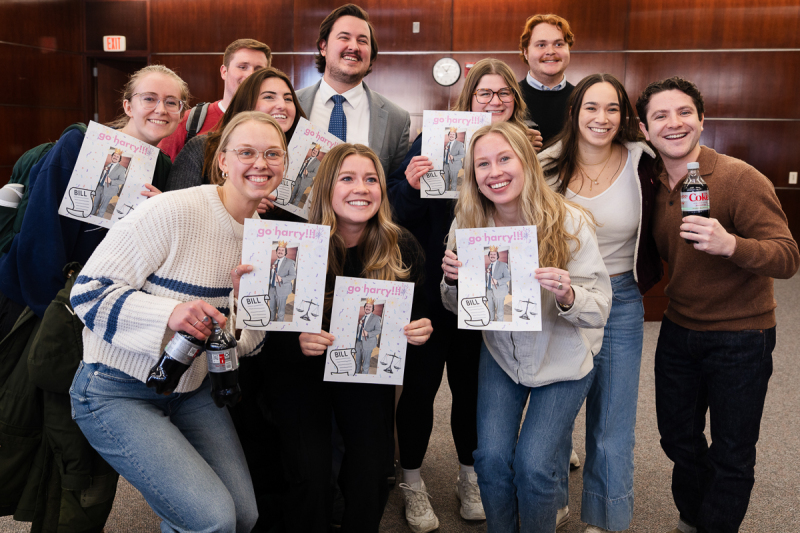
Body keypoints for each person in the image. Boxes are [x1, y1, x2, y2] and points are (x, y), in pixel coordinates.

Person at [69, 111, 284, 533]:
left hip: (190, 388)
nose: (261, 163)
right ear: (222, 160)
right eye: (247, 152)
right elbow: (87, 292)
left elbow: (248, 348)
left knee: (245, 515)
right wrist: (169, 313)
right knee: (213, 519)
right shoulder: (173, 210)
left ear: (285, 165)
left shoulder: (264, 236)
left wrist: (243, 310)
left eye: (272, 154)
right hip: (115, 388)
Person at [635, 77, 799, 533]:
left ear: (702, 120)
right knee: (678, 439)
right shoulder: (646, 183)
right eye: (660, 116)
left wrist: (732, 245)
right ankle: (694, 516)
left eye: (685, 112)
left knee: (733, 450)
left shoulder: (738, 178)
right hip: (679, 328)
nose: (674, 123)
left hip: (741, 335)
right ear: (645, 130)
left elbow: (787, 257)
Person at [387, 57, 540, 531]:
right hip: (431, 293)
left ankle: (470, 475)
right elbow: (391, 209)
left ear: (515, 100)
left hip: (490, 295)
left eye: (503, 94)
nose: (494, 102)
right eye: (484, 94)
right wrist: (411, 185)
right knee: (419, 390)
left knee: (474, 391)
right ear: (467, 99)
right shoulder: (433, 139)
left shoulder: (526, 149)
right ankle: (410, 480)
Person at [441, 121, 611, 532]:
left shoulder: (569, 222)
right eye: (482, 164)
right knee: (492, 461)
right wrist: (451, 283)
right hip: (502, 356)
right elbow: (455, 307)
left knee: (534, 466)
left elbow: (600, 309)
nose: (494, 171)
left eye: (504, 159)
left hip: (563, 358)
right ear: (473, 175)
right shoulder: (467, 223)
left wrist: (568, 295)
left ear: (527, 163)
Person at [261, 143, 432, 532]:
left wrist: (420, 327)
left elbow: (417, 309)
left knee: (371, 472)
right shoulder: (295, 244)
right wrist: (297, 342)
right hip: (300, 375)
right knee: (311, 474)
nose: (362, 188)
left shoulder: (400, 245)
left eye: (371, 179)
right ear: (326, 188)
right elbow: (264, 334)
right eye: (348, 178)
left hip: (364, 376)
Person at [538, 73, 662, 533]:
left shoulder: (642, 162)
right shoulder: (545, 164)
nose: (602, 118)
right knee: (554, 414)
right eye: (591, 107)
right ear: (574, 112)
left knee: (611, 422)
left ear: (624, 116)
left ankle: (606, 518)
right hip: (560, 298)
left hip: (620, 300)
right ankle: (551, 500)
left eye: (613, 109)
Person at [0, 64, 185, 336]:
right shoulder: (80, 144)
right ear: (128, 106)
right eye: (149, 98)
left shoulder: (163, 167)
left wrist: (161, 212)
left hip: (100, 307)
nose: (161, 109)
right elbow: (41, 230)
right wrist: (55, 309)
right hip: (40, 303)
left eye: (172, 102)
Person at [164, 67, 305, 221]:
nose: (282, 105)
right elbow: (177, 211)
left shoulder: (305, 158)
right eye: (269, 97)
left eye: (288, 99)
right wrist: (238, 203)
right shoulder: (204, 148)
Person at [296, 4, 410, 178]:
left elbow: (393, 189)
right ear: (323, 47)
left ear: (371, 54)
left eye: (362, 41)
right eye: (344, 37)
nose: (354, 47)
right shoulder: (291, 106)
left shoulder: (397, 119)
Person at [158, 38, 271, 161]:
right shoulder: (189, 122)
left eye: (259, 69)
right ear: (224, 71)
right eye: (242, 67)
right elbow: (161, 173)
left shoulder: (273, 124)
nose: (250, 75)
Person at [518, 14, 575, 144]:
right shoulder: (507, 98)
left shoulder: (583, 98)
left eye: (559, 44)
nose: (550, 51)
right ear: (526, 52)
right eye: (541, 45)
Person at [91, 148, 128, 217]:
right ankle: (91, 214)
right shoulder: (108, 165)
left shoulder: (122, 169)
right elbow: (103, 175)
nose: (115, 157)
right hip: (100, 187)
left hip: (109, 190)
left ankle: (98, 218)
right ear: (112, 156)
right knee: (95, 203)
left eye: (117, 156)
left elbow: (122, 181)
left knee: (103, 207)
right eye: (114, 155)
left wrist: (111, 181)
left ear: (119, 159)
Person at [269, 240, 297, 321]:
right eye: (279, 250)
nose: (280, 252)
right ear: (276, 251)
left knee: (281, 311)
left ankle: (279, 325)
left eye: (282, 250)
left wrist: (282, 279)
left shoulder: (290, 262)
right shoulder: (274, 262)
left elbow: (293, 275)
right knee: (272, 308)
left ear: (285, 253)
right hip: (272, 288)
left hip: (282, 289)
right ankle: (271, 321)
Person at [354, 298, 382, 374]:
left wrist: (368, 334)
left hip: (368, 343)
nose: (368, 308)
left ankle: (364, 375)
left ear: (372, 309)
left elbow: (378, 330)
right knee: (357, 360)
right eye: (366, 306)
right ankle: (356, 372)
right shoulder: (362, 317)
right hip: (358, 342)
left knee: (366, 362)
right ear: (364, 308)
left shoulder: (376, 318)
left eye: (370, 307)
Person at [485, 246, 511, 322]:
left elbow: (508, 277)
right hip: (489, 291)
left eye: (494, 254)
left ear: (497, 256)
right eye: (491, 255)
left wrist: (497, 281)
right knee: (491, 309)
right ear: (489, 256)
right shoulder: (489, 266)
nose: (492, 256)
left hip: (499, 291)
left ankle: (500, 325)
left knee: (499, 312)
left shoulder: (503, 265)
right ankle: (491, 321)